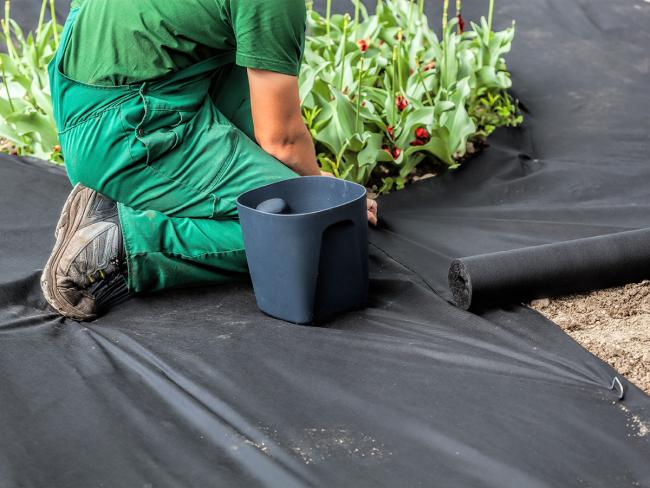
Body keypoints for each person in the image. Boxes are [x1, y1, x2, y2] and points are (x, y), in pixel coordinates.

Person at [41, 0, 378, 321]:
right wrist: (324, 197)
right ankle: (123, 237)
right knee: (321, 240)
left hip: (106, 84)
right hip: (126, 130)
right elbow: (283, 140)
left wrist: (295, 175)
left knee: (241, 41)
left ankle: (142, 190)